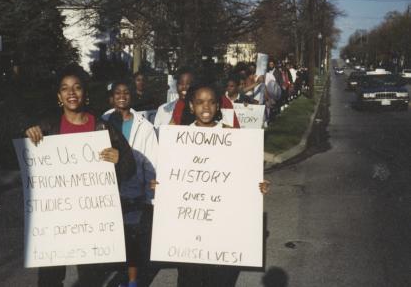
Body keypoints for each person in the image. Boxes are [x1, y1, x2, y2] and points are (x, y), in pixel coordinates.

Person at [24, 64, 136, 287]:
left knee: (91, 277)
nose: (71, 93)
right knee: (49, 277)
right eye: (65, 89)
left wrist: (118, 159)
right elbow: (28, 160)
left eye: (77, 88)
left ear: (85, 93)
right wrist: (27, 133)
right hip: (56, 215)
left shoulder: (102, 127)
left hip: (91, 217)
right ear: (59, 96)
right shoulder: (47, 126)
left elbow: (130, 167)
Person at [154, 83, 269, 287]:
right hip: (189, 235)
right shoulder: (179, 138)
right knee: (189, 280)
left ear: (218, 106)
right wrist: (161, 185)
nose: (205, 107)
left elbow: (244, 174)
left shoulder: (231, 136)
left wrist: (257, 187)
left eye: (211, 102)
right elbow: (172, 176)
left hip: (221, 234)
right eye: (199, 102)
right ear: (191, 106)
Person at [102, 81, 158, 287]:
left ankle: (132, 282)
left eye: (126, 92)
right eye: (117, 93)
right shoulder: (103, 121)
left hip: (134, 192)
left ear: (132, 97)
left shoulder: (145, 127)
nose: (122, 96)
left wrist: (150, 196)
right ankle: (116, 278)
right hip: (108, 190)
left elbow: (152, 162)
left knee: (132, 240)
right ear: (111, 97)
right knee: (113, 239)